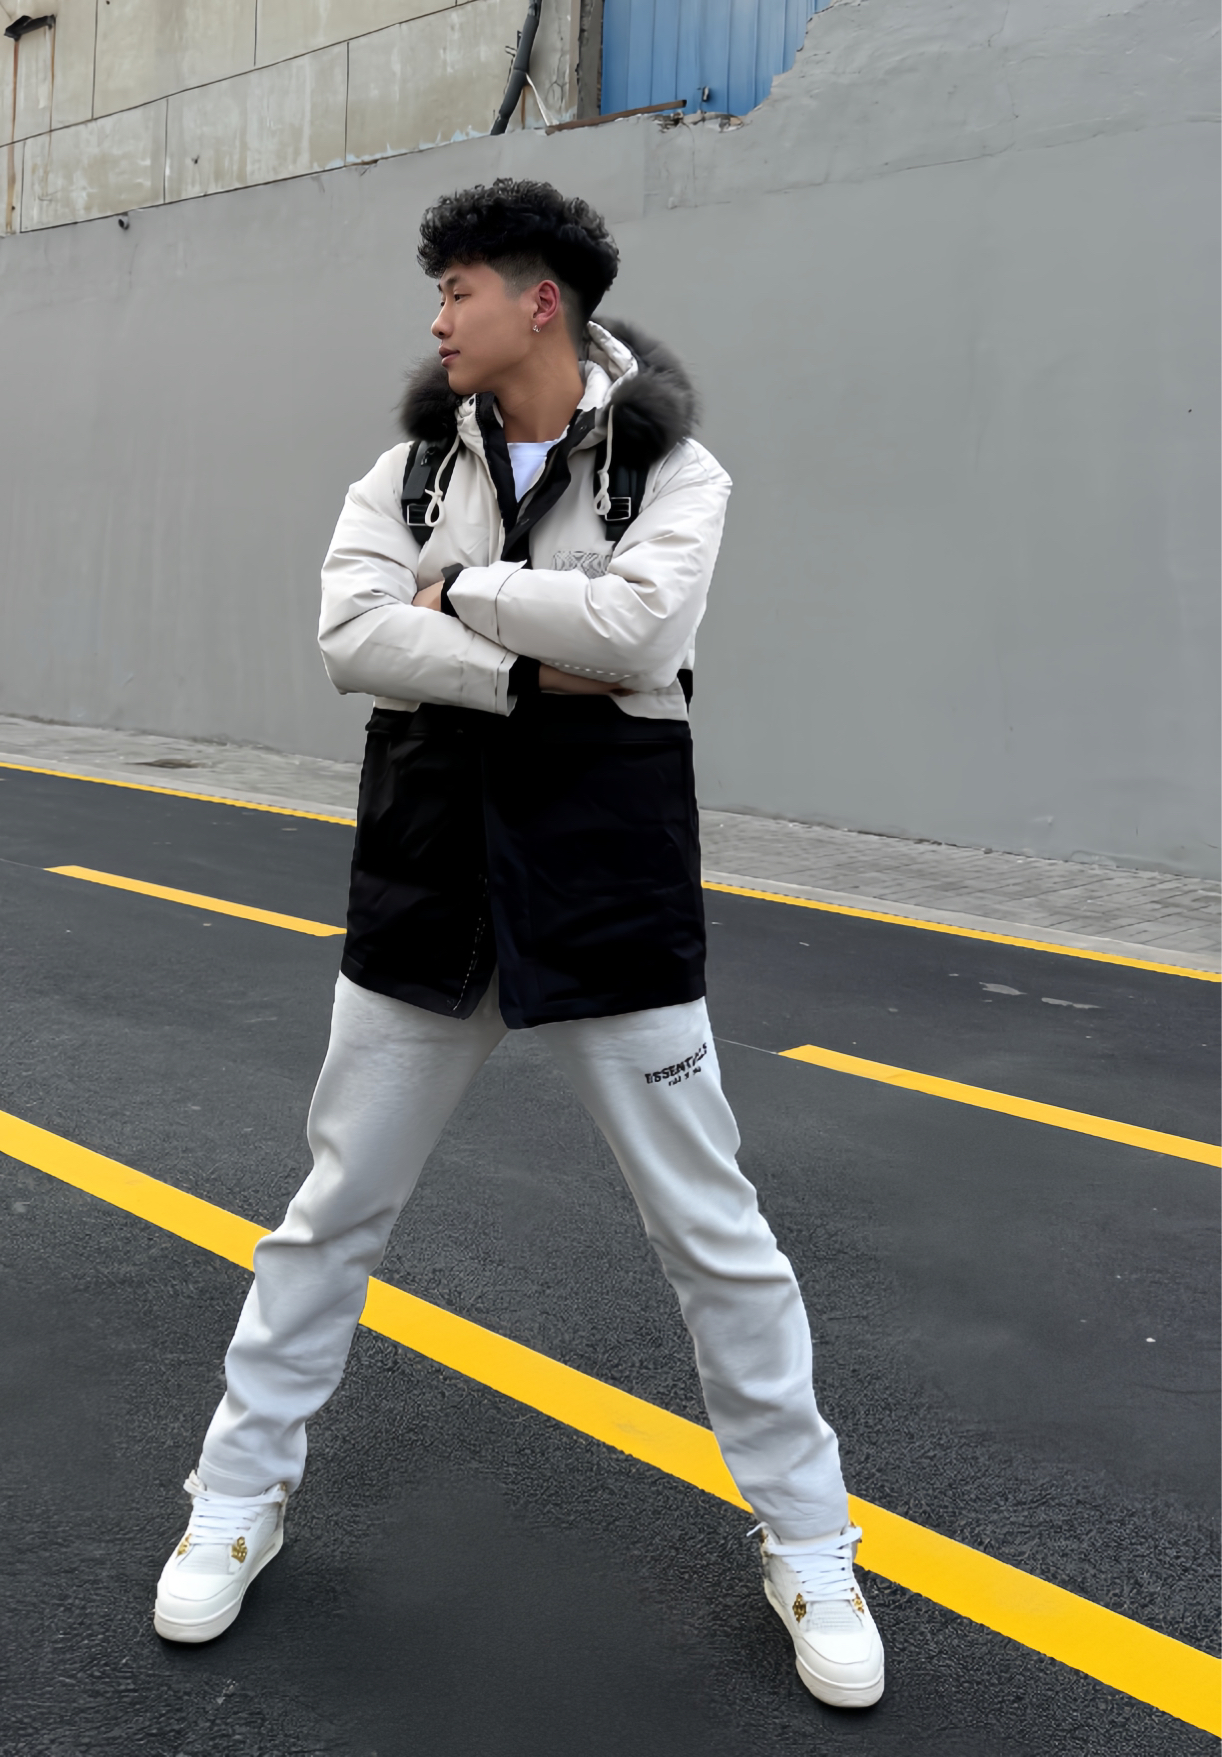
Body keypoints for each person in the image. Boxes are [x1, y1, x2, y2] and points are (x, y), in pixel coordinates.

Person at [152, 178, 884, 1711]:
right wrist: (525, 665)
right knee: (328, 1217)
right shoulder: (409, 466)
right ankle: (234, 1501)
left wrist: (464, 591)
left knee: (715, 1235)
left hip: (607, 897)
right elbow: (350, 638)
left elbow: (640, 638)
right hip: (428, 887)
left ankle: (813, 1543)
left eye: (459, 289)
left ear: (538, 301)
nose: (436, 320)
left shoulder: (674, 471)